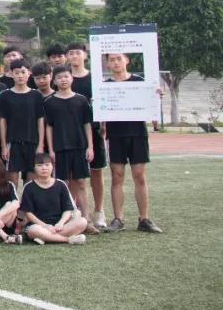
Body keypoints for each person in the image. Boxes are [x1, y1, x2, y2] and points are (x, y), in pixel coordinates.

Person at [103, 52, 162, 233]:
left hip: (137, 133)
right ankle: (118, 219)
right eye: (112, 60)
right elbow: (102, 111)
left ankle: (144, 219)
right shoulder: (105, 86)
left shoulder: (140, 82)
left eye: (119, 58)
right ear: (107, 64)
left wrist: (157, 96)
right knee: (117, 176)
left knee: (139, 175)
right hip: (115, 134)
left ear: (127, 60)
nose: (116, 62)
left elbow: (151, 104)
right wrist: (102, 126)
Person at [45, 65, 95, 229]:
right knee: (63, 184)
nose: (63, 80)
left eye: (66, 76)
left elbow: (87, 124)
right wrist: (51, 149)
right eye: (59, 77)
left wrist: (90, 147)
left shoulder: (81, 100)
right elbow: (49, 127)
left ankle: (86, 219)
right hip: (60, 148)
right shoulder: (50, 102)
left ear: (72, 78)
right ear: (54, 81)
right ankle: (65, 219)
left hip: (79, 147)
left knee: (81, 182)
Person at [67, 41, 108, 229]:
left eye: (77, 53)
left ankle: (99, 211)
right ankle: (75, 212)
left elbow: (105, 102)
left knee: (96, 172)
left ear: (85, 55)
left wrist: (104, 125)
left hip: (93, 131)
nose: (74, 56)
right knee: (73, 176)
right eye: (71, 53)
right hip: (70, 134)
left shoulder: (95, 78)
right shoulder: (63, 78)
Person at [0, 59, 46, 187]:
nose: (20, 75)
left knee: (31, 182)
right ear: (11, 74)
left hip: (32, 142)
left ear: (29, 73)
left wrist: (40, 144)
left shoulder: (36, 95)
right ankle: (13, 201)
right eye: (17, 72)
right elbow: (2, 121)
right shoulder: (5, 95)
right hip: (13, 143)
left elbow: (40, 120)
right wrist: (4, 145)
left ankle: (28, 201)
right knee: (12, 182)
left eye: (23, 72)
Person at [20, 153, 88, 245]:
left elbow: (67, 209)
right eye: (40, 165)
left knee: (82, 222)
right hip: (39, 226)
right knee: (33, 230)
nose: (44, 168)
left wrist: (60, 223)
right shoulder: (29, 187)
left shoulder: (61, 185)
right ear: (34, 168)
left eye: (47, 165)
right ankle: (68, 240)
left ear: (52, 166)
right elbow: (28, 214)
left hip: (59, 226)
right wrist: (45, 226)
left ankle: (45, 238)